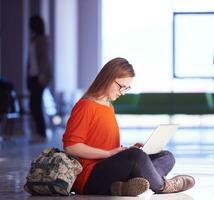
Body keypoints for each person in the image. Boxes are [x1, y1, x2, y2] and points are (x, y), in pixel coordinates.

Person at [63, 57, 195, 196]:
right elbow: (71, 147)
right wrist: (110, 154)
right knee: (135, 157)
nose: (122, 92)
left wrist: (123, 151)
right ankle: (163, 186)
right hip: (89, 178)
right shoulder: (86, 106)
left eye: (127, 88)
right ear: (108, 78)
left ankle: (122, 187)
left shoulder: (108, 106)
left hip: (109, 170)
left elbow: (104, 143)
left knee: (166, 156)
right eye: (122, 86)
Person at [27, 15, 52, 141]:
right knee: (33, 104)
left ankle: (41, 133)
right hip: (32, 76)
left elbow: (44, 59)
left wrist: (42, 75)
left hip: (40, 77)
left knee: (36, 104)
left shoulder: (42, 39)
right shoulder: (33, 39)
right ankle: (39, 132)